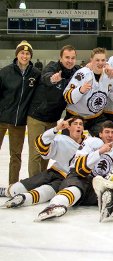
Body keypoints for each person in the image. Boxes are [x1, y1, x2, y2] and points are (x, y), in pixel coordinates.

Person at [36, 121, 113, 221]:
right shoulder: (91, 142)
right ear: (100, 134)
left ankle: (108, 205)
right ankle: (55, 205)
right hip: (79, 177)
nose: (110, 135)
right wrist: (100, 151)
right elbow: (79, 166)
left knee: (108, 191)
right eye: (107, 132)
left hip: (95, 187)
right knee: (76, 188)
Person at [2, 117, 85, 208]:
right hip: (53, 172)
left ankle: (24, 198)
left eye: (80, 124)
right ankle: (7, 191)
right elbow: (42, 146)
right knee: (18, 188)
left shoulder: (90, 143)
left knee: (47, 190)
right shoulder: (61, 139)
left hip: (67, 179)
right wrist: (56, 129)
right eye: (75, 124)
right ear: (68, 127)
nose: (78, 126)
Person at [27, 45, 80, 177]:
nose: (70, 60)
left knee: (46, 152)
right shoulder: (52, 67)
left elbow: (90, 69)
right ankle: (33, 183)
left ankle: (41, 180)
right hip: (37, 117)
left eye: (72, 58)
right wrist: (52, 79)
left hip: (53, 119)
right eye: (67, 57)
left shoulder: (76, 72)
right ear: (60, 58)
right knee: (36, 152)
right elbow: (46, 76)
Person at [0, 40, 41, 190]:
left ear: (31, 56)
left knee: (16, 156)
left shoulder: (35, 74)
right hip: (1, 119)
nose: (25, 55)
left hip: (19, 121)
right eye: (22, 53)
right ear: (17, 54)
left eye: (28, 53)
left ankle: (12, 185)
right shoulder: (5, 72)